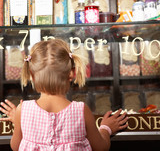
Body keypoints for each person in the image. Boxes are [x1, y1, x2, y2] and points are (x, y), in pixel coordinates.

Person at [0, 38, 128, 151]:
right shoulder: (80, 110)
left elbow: (16, 146)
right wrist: (106, 128)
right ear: (72, 73)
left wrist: (19, 121)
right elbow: (100, 147)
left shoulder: (22, 110)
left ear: (31, 75)